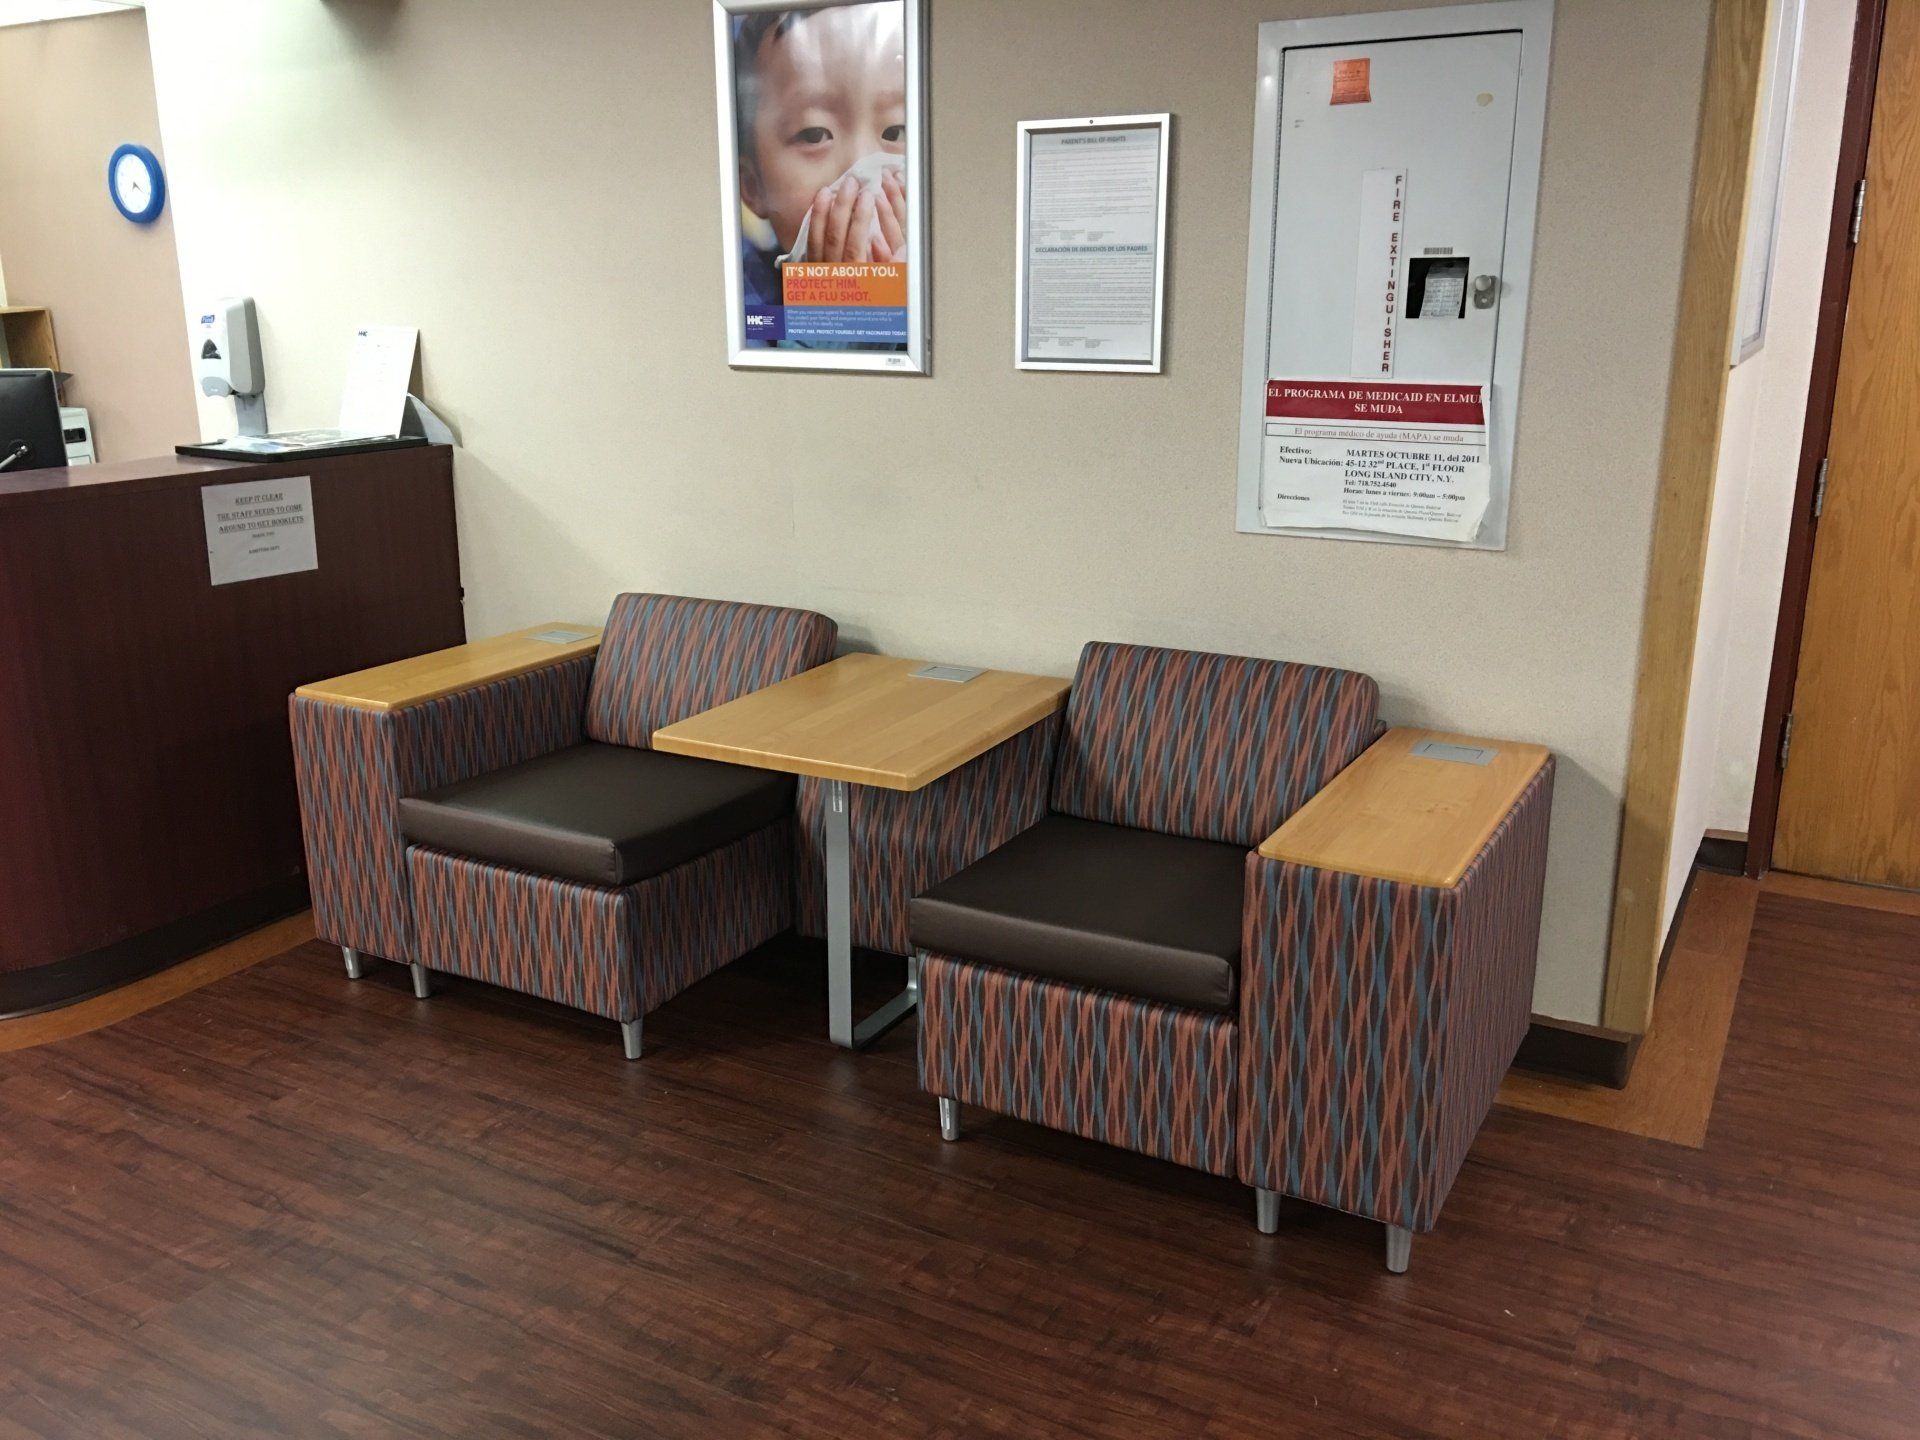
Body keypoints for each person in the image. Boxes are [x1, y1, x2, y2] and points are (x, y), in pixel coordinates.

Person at [734, 2, 908, 333]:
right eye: (814, 134)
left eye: (895, 132)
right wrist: (837, 314)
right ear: (753, 185)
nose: (861, 173)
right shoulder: (745, 309)